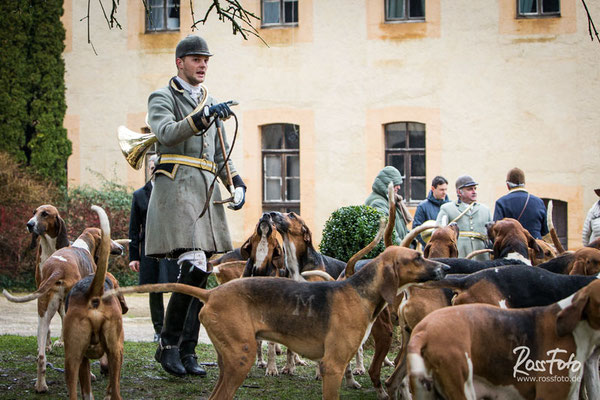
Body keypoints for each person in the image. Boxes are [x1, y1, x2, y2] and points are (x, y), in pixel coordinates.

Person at [145, 35, 246, 377]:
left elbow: (219, 154)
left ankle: (187, 352)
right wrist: (201, 117)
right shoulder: (162, 97)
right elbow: (166, 132)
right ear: (180, 63)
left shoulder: (210, 100)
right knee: (194, 264)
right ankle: (168, 345)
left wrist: (237, 183)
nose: (202, 65)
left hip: (203, 193)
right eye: (196, 59)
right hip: (176, 190)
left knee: (201, 274)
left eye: (206, 59)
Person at [128, 155, 178, 343]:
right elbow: (134, 229)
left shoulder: (174, 192)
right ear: (149, 169)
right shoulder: (139, 195)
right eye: (151, 166)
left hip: (173, 248)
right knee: (154, 290)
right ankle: (158, 330)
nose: (154, 169)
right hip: (150, 250)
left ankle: (172, 330)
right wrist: (134, 257)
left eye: (158, 166)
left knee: (176, 288)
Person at [436, 175, 492, 260]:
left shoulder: (485, 210)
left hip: (482, 258)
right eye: (470, 189)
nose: (474, 192)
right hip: (459, 257)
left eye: (474, 188)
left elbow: (492, 236)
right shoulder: (447, 209)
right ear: (459, 192)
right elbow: (438, 232)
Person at [493, 167, 548, 239]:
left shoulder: (501, 202)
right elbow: (544, 231)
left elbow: (497, 231)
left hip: (512, 247)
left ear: (508, 185)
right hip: (536, 246)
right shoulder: (539, 202)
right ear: (524, 184)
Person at [365, 166, 412, 241]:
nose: (399, 187)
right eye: (396, 184)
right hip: (392, 251)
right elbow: (389, 234)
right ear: (387, 184)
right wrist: (403, 249)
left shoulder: (391, 200)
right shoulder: (378, 203)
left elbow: (400, 228)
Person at [412, 175, 450, 247]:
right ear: (433, 189)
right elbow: (416, 229)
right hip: (430, 249)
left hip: (448, 248)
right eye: (441, 189)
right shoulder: (423, 206)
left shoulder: (450, 206)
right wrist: (428, 244)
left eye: (445, 189)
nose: (444, 192)